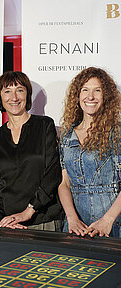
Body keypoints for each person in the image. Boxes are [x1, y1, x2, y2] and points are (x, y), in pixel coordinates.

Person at [0, 71, 62, 230]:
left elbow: (53, 172)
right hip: (9, 225)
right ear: (0, 97)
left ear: (28, 95)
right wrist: (1, 220)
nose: (14, 97)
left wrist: (29, 210)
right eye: (7, 91)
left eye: (20, 90)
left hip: (44, 220)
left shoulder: (44, 125)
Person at [58, 67, 121, 238]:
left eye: (97, 90)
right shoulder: (67, 135)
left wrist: (107, 220)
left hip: (113, 226)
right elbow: (64, 184)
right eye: (85, 90)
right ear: (77, 95)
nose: (90, 96)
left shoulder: (116, 134)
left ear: (105, 96)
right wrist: (71, 218)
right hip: (76, 226)